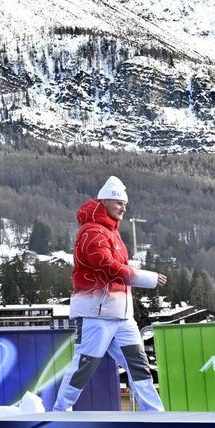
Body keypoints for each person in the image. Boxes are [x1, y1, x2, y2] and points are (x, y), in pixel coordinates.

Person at [52, 176, 166, 413]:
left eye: (125, 203)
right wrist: (148, 278)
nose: (123, 208)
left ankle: (156, 414)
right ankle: (60, 412)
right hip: (95, 314)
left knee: (139, 366)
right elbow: (106, 266)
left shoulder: (112, 233)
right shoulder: (92, 232)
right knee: (85, 365)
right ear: (104, 202)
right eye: (119, 203)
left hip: (122, 317)